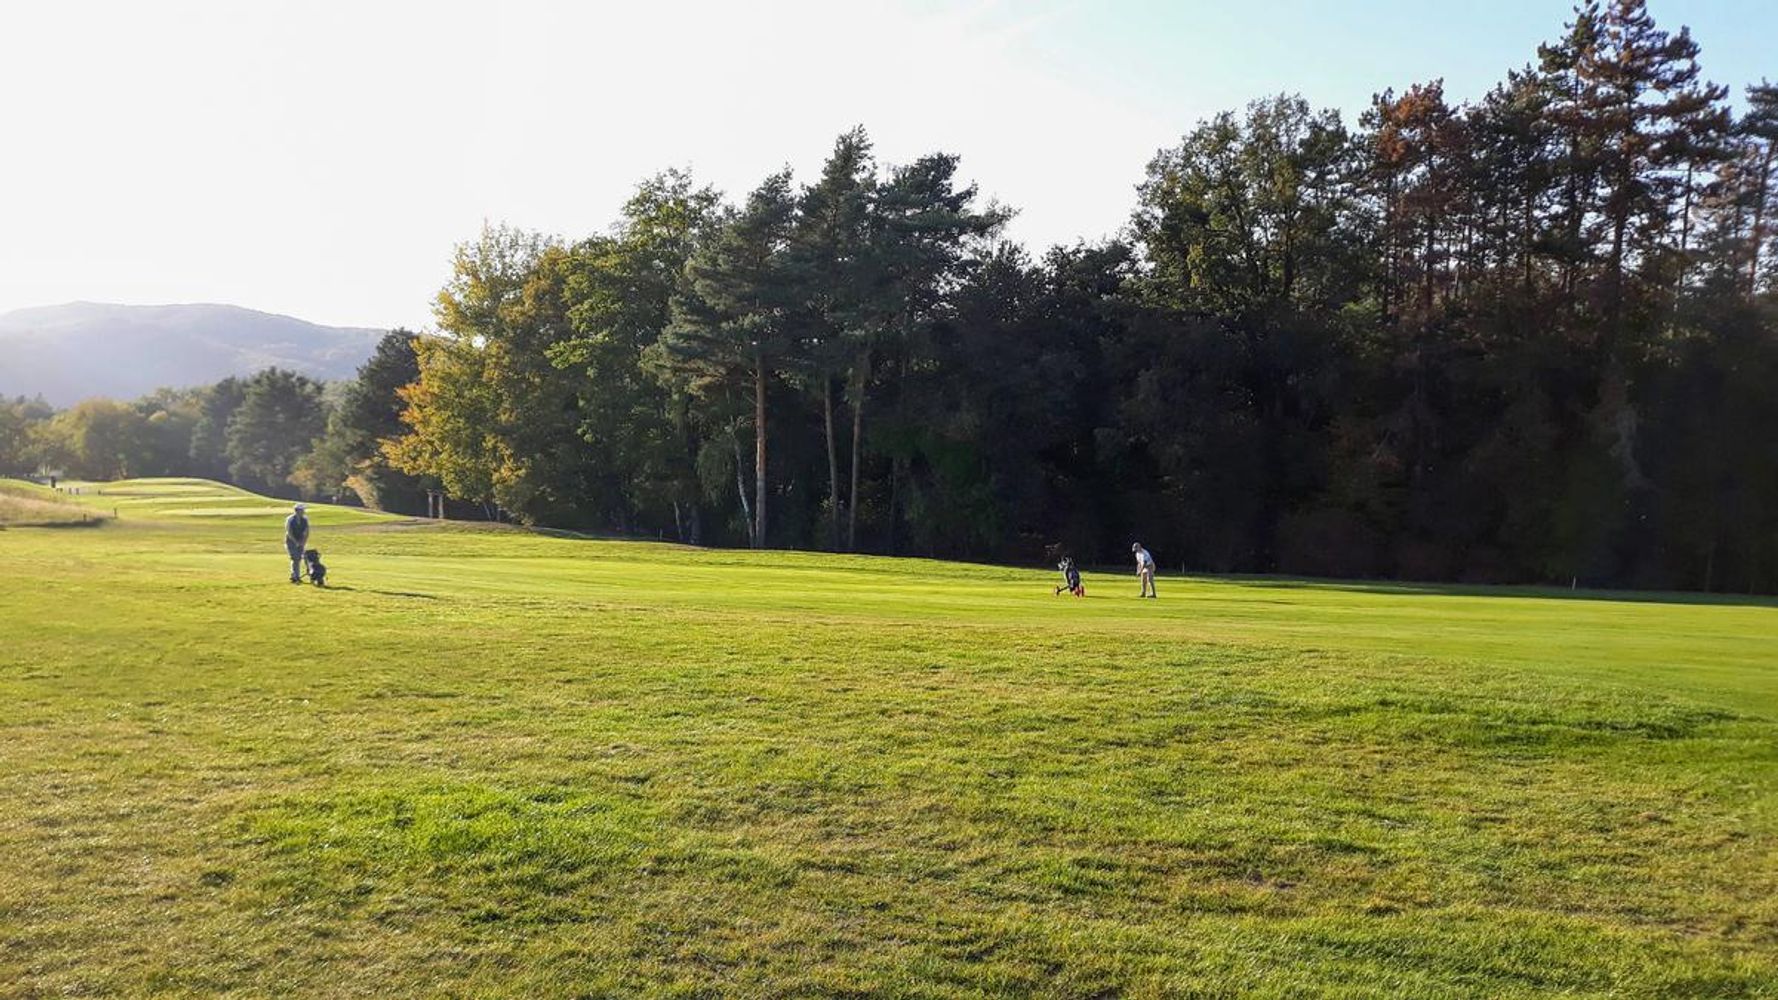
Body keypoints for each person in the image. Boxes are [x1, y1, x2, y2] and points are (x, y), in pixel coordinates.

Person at [285, 503, 311, 583]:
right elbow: (289, 532)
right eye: (302, 510)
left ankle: (297, 575)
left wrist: (303, 542)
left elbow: (307, 531)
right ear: (297, 511)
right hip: (291, 541)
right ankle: (295, 576)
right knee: (295, 558)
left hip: (301, 540)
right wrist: (295, 542)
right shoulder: (290, 519)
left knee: (300, 558)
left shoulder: (305, 519)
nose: (304, 511)